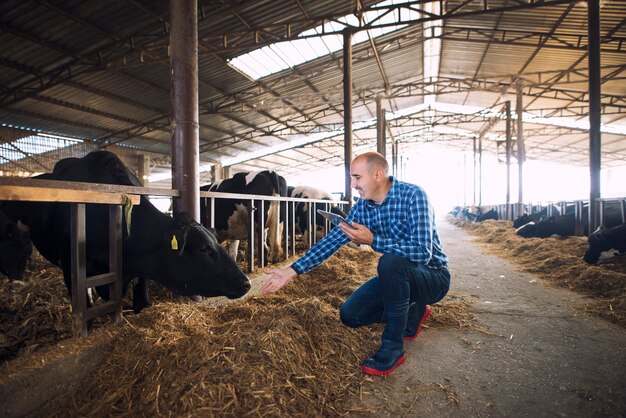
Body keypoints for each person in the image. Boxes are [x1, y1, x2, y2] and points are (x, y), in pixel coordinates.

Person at [259, 151, 450, 376]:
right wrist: (291, 271)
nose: (353, 184)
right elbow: (332, 241)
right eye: (352, 178)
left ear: (378, 174)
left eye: (357, 177)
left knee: (390, 263)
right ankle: (412, 310)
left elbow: (423, 253)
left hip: (432, 277)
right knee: (350, 315)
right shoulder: (363, 207)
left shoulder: (414, 195)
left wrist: (373, 240)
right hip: (398, 279)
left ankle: (393, 347)